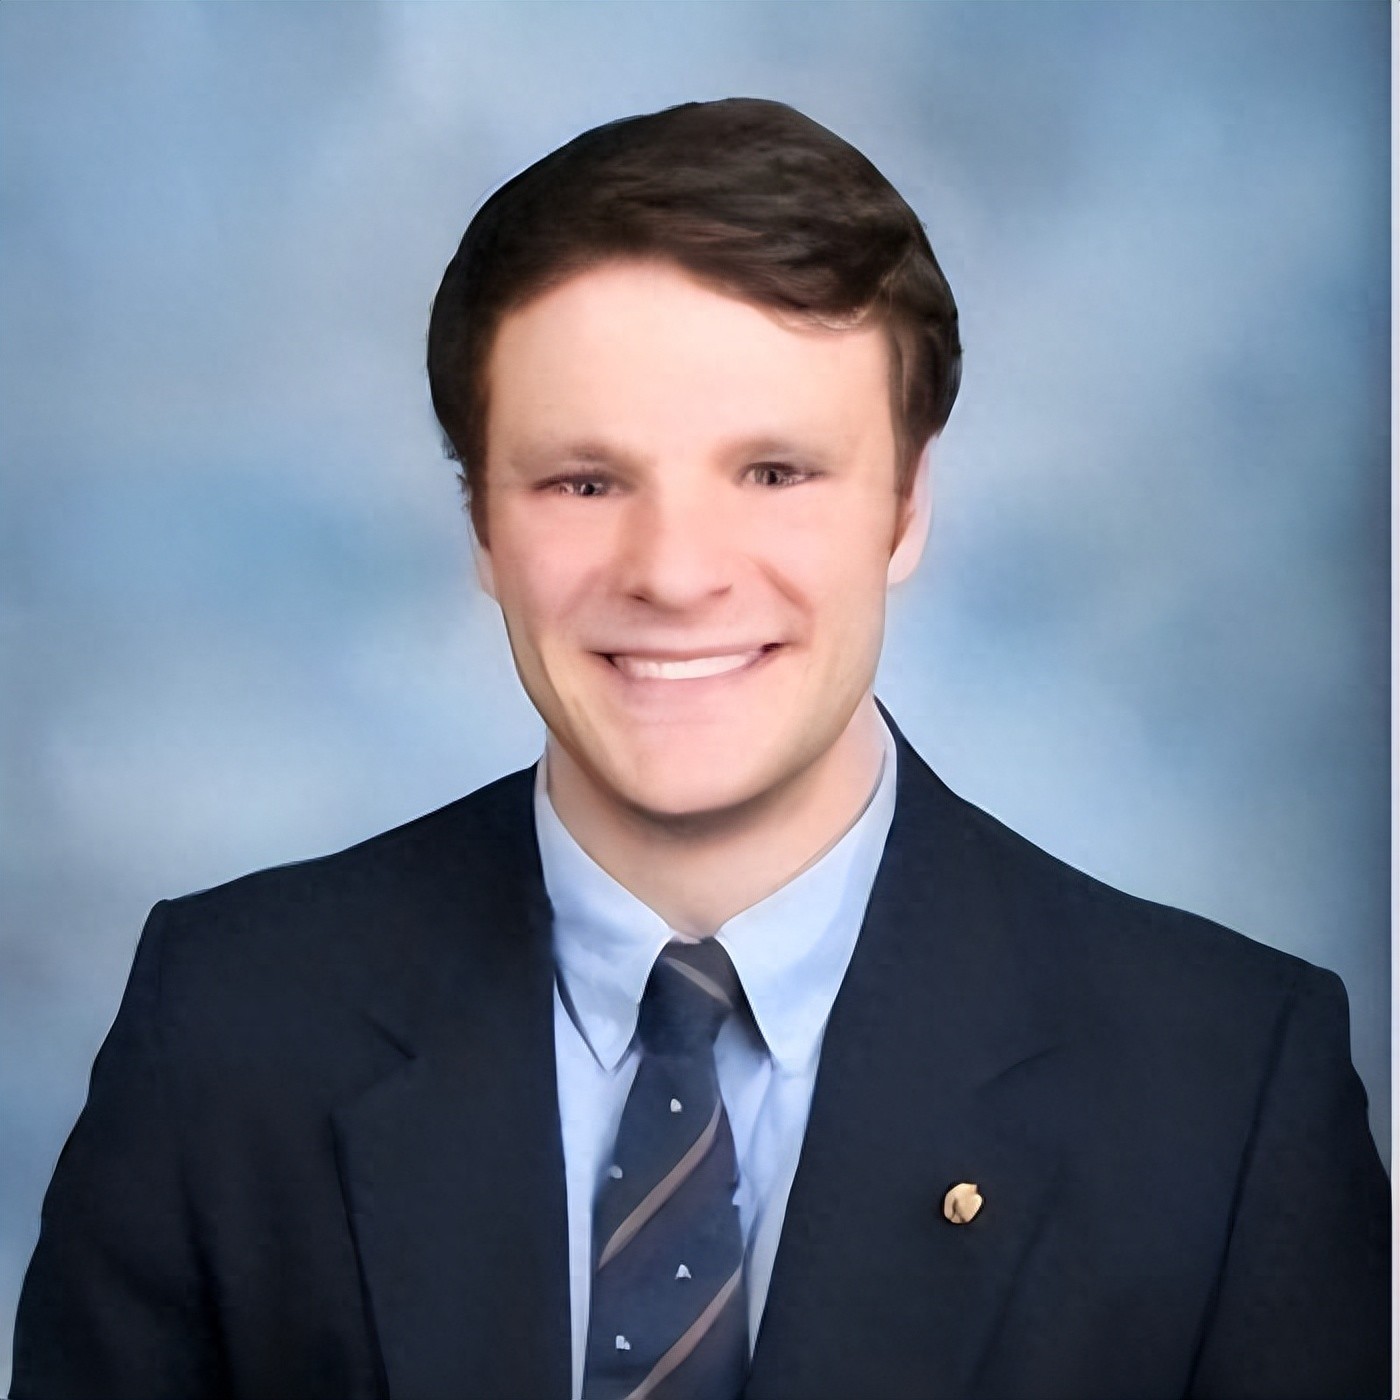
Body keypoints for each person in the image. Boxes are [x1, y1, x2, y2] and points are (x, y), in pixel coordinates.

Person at [11, 98, 1388, 1400]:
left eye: (775, 473)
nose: (674, 573)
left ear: (905, 508)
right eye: (583, 481)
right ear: (482, 525)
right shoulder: (228, 1028)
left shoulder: (1224, 1090)